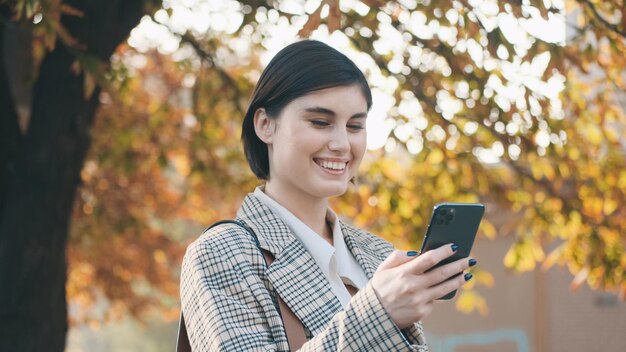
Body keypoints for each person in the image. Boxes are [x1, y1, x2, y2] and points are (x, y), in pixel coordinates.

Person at [180, 39, 476, 351]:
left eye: (354, 126)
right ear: (265, 124)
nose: (342, 144)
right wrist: (377, 313)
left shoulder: (376, 253)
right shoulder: (223, 252)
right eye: (320, 122)